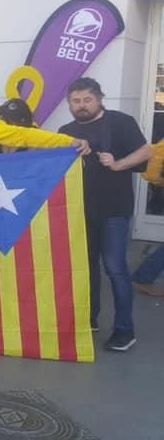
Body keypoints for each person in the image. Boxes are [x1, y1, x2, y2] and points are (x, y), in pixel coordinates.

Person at [58, 77, 150, 352]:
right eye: (76, 101)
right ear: (69, 103)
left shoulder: (120, 122)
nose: (82, 105)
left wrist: (118, 163)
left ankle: (124, 330)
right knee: (85, 269)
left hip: (114, 211)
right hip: (79, 211)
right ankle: (89, 319)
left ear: (99, 98)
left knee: (115, 268)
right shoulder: (66, 130)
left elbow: (146, 151)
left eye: (87, 99)